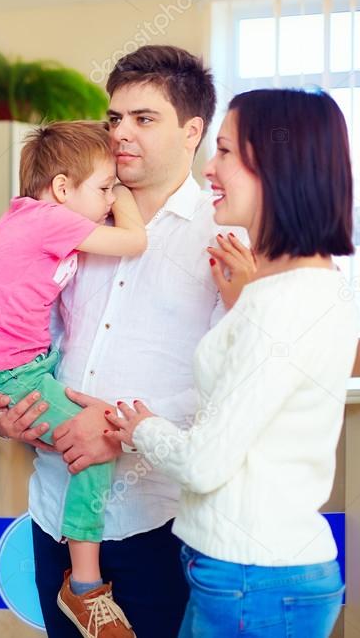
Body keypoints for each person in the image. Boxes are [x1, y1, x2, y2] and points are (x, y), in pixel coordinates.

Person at [0, 45, 250, 636]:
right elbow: (28, 337)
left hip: (158, 517)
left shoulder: (226, 234)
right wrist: (1, 414)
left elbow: (230, 385)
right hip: (54, 510)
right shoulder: (71, 225)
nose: (121, 133)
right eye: (114, 118)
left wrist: (118, 432)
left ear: (192, 132)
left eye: (143, 119)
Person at [105, 88, 356, 638]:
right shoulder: (297, 288)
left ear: (276, 164)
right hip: (240, 571)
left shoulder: (286, 301)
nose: (209, 167)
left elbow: (204, 463)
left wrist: (137, 425)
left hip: (253, 578)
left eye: (224, 151)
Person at [0, 121, 145, 637]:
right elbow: (134, 240)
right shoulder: (48, 220)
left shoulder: (30, 220)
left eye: (112, 188)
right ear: (62, 189)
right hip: (15, 374)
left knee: (94, 429)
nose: (109, 198)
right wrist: (128, 191)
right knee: (99, 438)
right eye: (102, 188)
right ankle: (84, 586)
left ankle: (83, 579)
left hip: (25, 366)